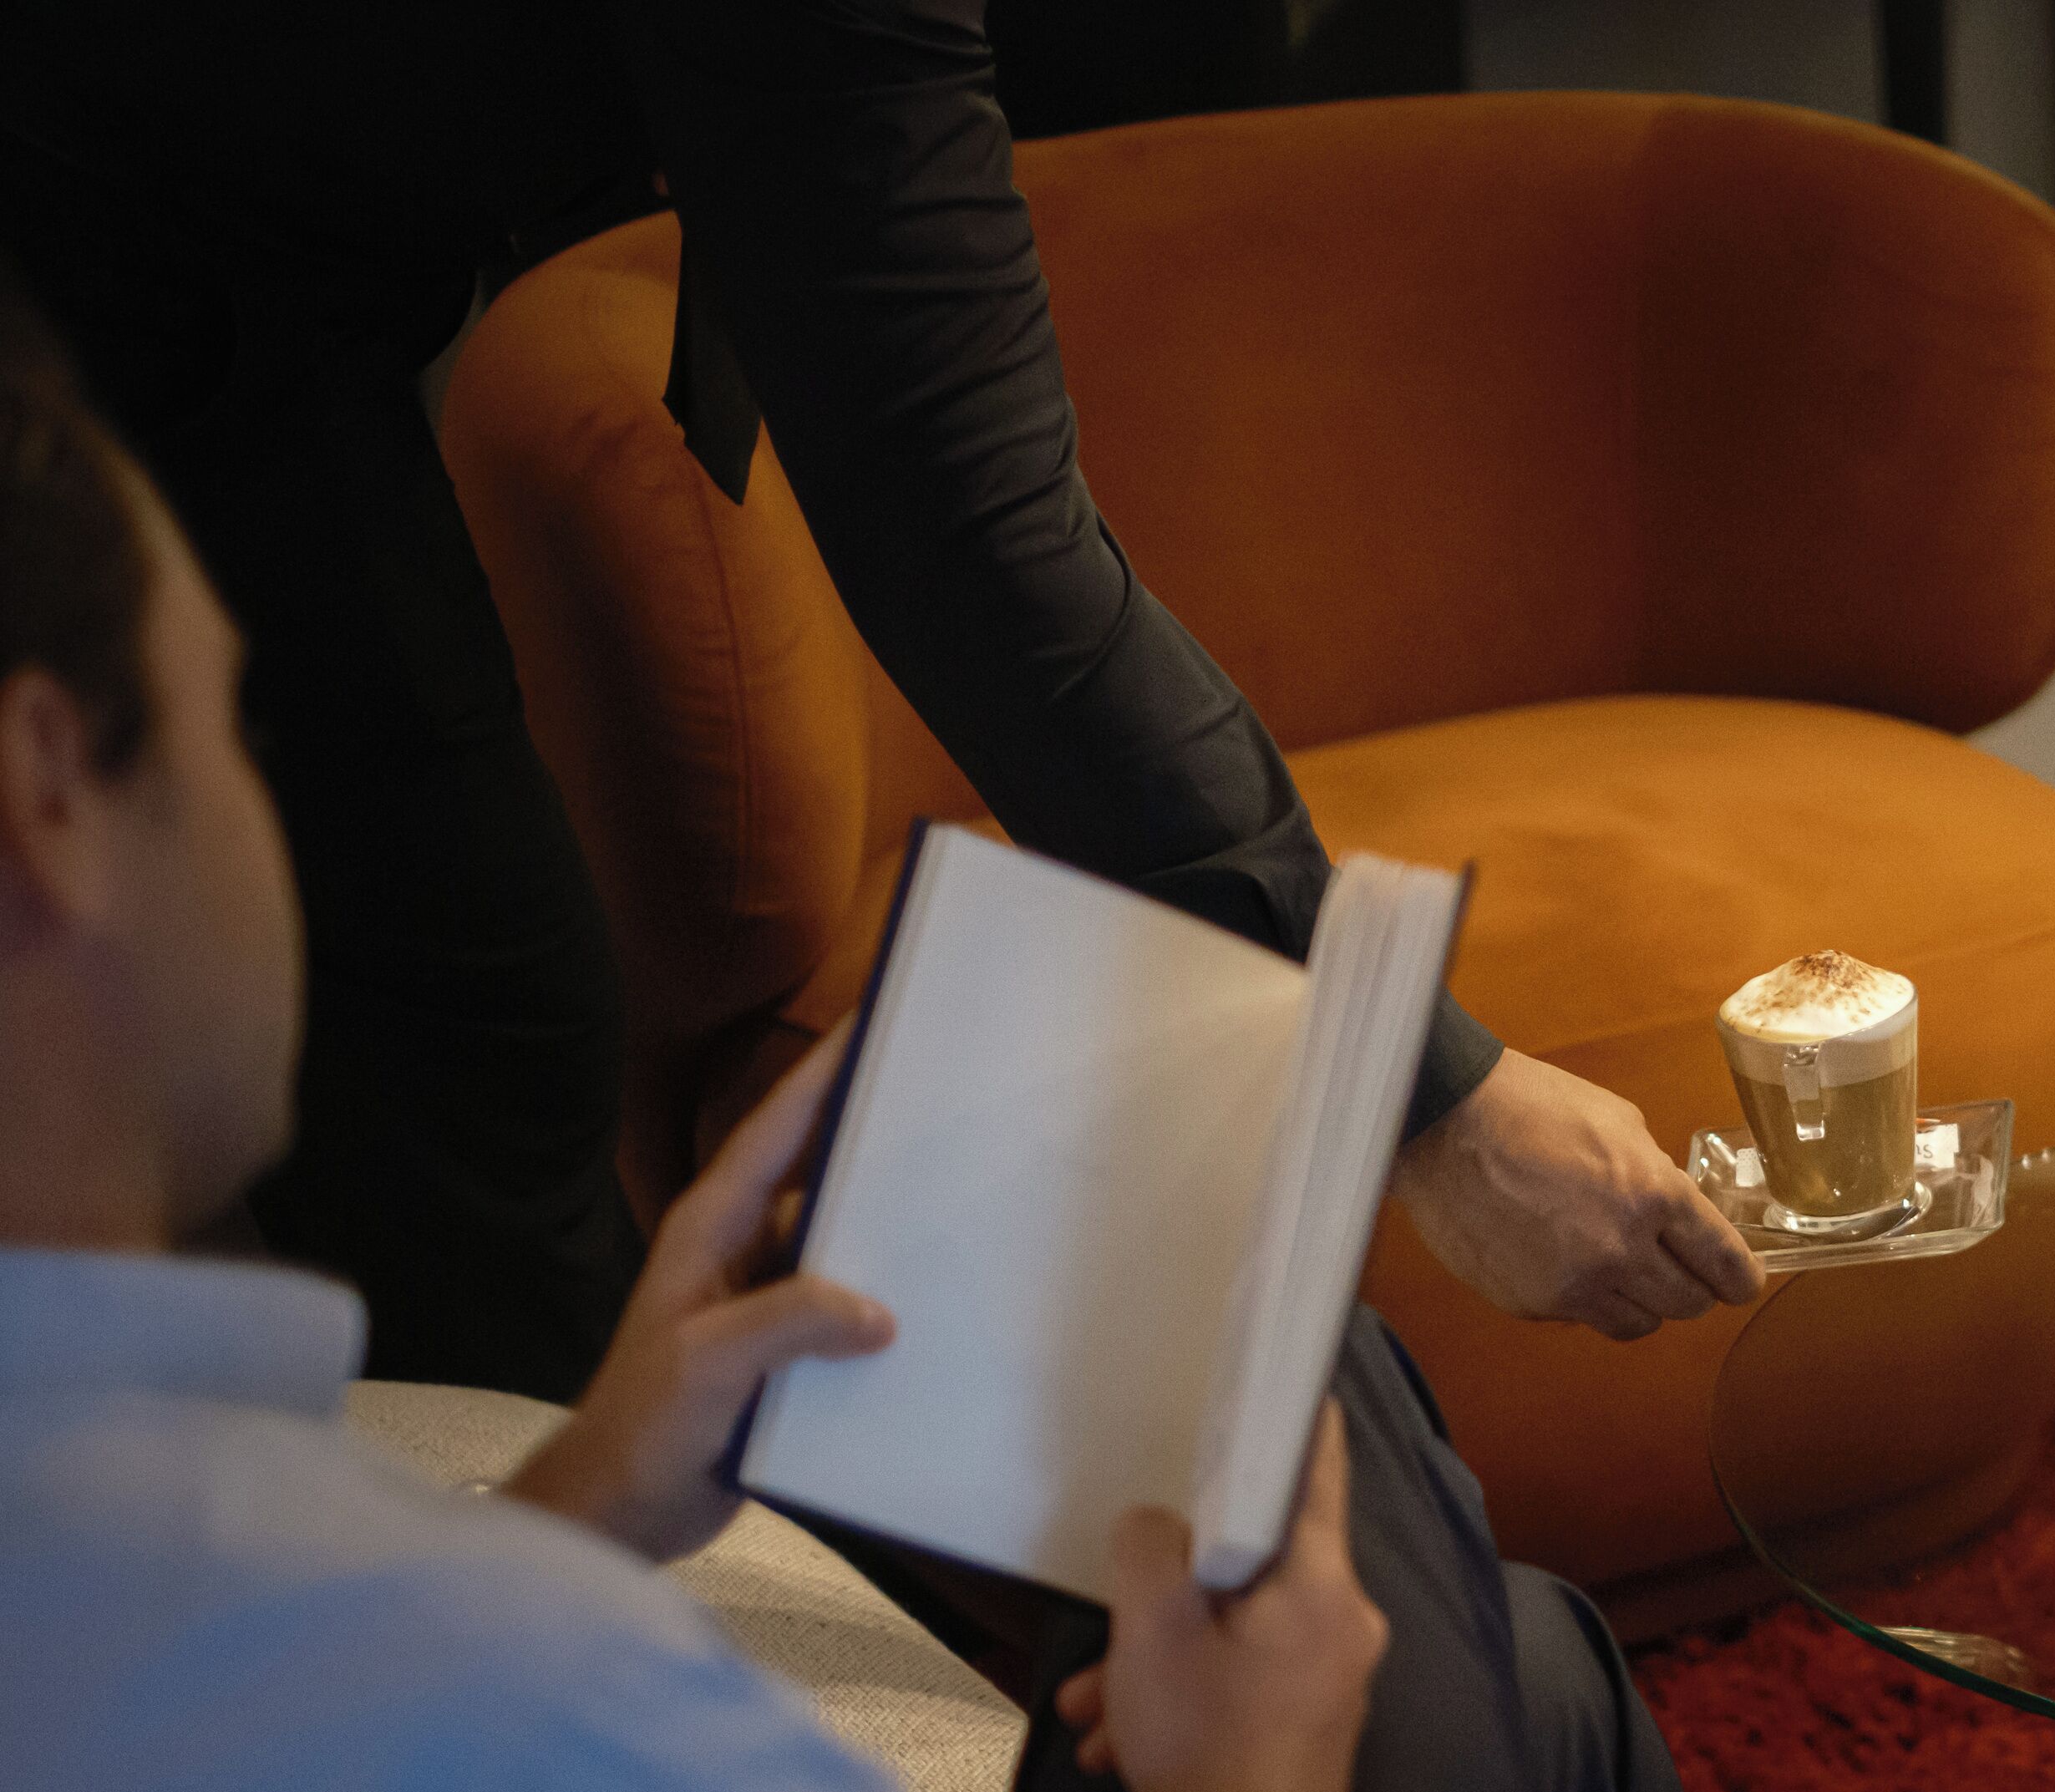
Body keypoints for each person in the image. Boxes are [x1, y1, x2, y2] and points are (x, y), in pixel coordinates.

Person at [0, 322, 1979, 1792]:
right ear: (47, 795)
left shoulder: (182, 1620)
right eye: (228, 722)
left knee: (1538, 1683)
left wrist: (577, 1507)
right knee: (1314, 1413)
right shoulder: (577, 1760)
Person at [0, 0, 1762, 1401]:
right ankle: (568, 1725)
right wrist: (1426, 1092)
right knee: (470, 1023)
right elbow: (971, 536)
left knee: (480, 1020)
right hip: (100, 275)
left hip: (235, 294)